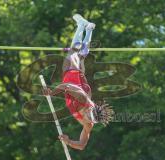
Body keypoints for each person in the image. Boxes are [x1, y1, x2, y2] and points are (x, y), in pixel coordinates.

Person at [43, 14, 114, 150]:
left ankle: (89, 29)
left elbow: (82, 146)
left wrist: (68, 141)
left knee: (81, 54)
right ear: (90, 109)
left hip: (78, 81)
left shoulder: (89, 124)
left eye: (90, 119)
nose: (87, 119)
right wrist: (51, 93)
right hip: (72, 76)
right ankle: (81, 25)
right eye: (89, 115)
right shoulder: (83, 100)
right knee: (73, 52)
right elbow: (66, 86)